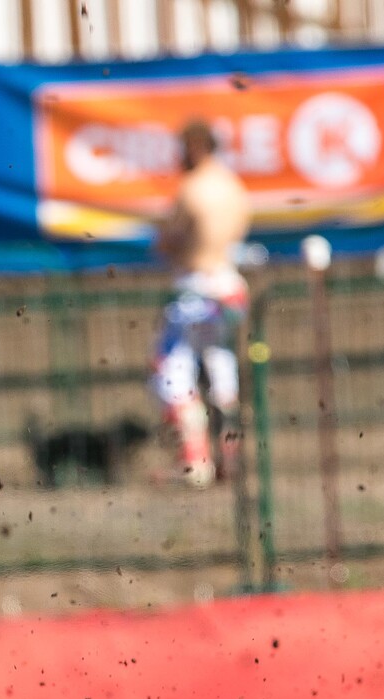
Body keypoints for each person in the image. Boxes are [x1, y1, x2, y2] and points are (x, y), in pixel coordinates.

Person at [152, 120, 251, 489]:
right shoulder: (233, 187)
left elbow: (170, 239)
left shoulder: (193, 189)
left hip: (194, 287)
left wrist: (164, 242)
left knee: (171, 369)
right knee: (221, 367)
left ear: (194, 148)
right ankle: (231, 458)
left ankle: (195, 463)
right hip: (228, 283)